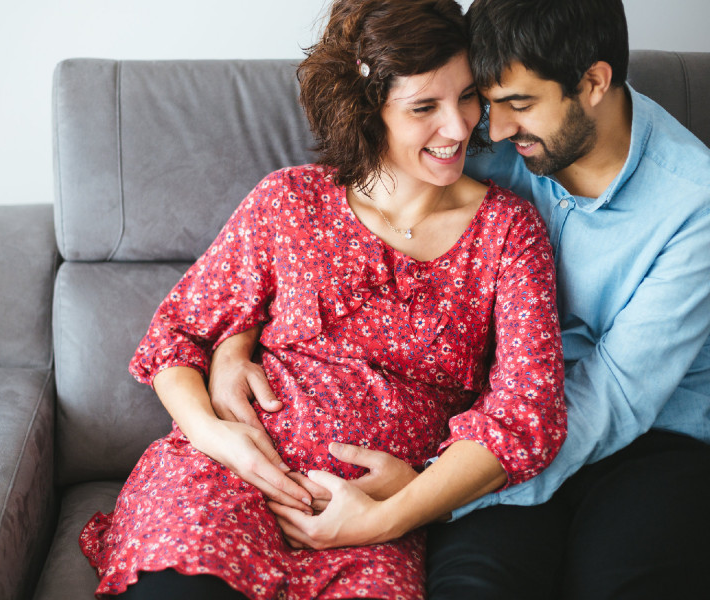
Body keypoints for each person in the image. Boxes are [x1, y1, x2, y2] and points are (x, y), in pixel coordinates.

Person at [212, 0, 710, 598]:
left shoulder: (694, 207)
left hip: (647, 436)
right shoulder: (481, 129)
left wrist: (425, 491)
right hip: (492, 426)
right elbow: (311, 228)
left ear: (594, 83)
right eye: (487, 101)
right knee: (474, 584)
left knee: (622, 581)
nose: (489, 132)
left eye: (519, 105)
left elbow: (617, 394)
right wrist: (233, 339)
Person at [78, 0, 568, 598]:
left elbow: (528, 414)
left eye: (468, 96)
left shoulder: (508, 232)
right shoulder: (290, 201)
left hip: (367, 525)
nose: (461, 127)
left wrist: (402, 505)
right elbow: (178, 335)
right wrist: (214, 434)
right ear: (368, 109)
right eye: (425, 107)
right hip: (220, 481)